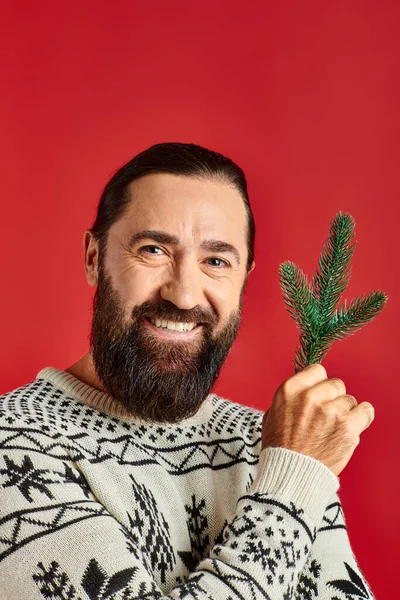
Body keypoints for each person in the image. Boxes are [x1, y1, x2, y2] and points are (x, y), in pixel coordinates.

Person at [0, 142, 376, 600]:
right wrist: (292, 484)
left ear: (244, 277)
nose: (184, 294)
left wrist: (289, 466)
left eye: (216, 261)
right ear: (94, 259)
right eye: (154, 249)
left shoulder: (270, 443)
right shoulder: (15, 448)